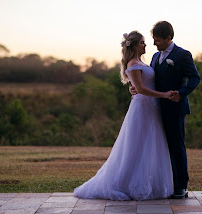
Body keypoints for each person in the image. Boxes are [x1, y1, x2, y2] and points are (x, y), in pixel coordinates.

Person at [74, 31, 174, 200]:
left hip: (152, 108)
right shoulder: (133, 64)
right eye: (142, 42)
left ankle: (152, 184)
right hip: (142, 108)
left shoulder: (142, 62)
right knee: (135, 147)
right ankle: (124, 183)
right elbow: (141, 89)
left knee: (150, 145)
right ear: (134, 45)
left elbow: (139, 86)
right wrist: (164, 95)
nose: (145, 45)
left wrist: (135, 88)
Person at [130, 21, 200, 199]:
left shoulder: (183, 55)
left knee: (177, 147)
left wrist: (181, 93)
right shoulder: (155, 57)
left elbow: (195, 78)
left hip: (175, 109)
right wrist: (134, 88)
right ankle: (165, 184)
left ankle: (181, 186)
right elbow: (148, 80)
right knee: (161, 148)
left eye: (158, 40)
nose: (154, 44)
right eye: (153, 40)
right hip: (155, 109)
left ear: (169, 38)